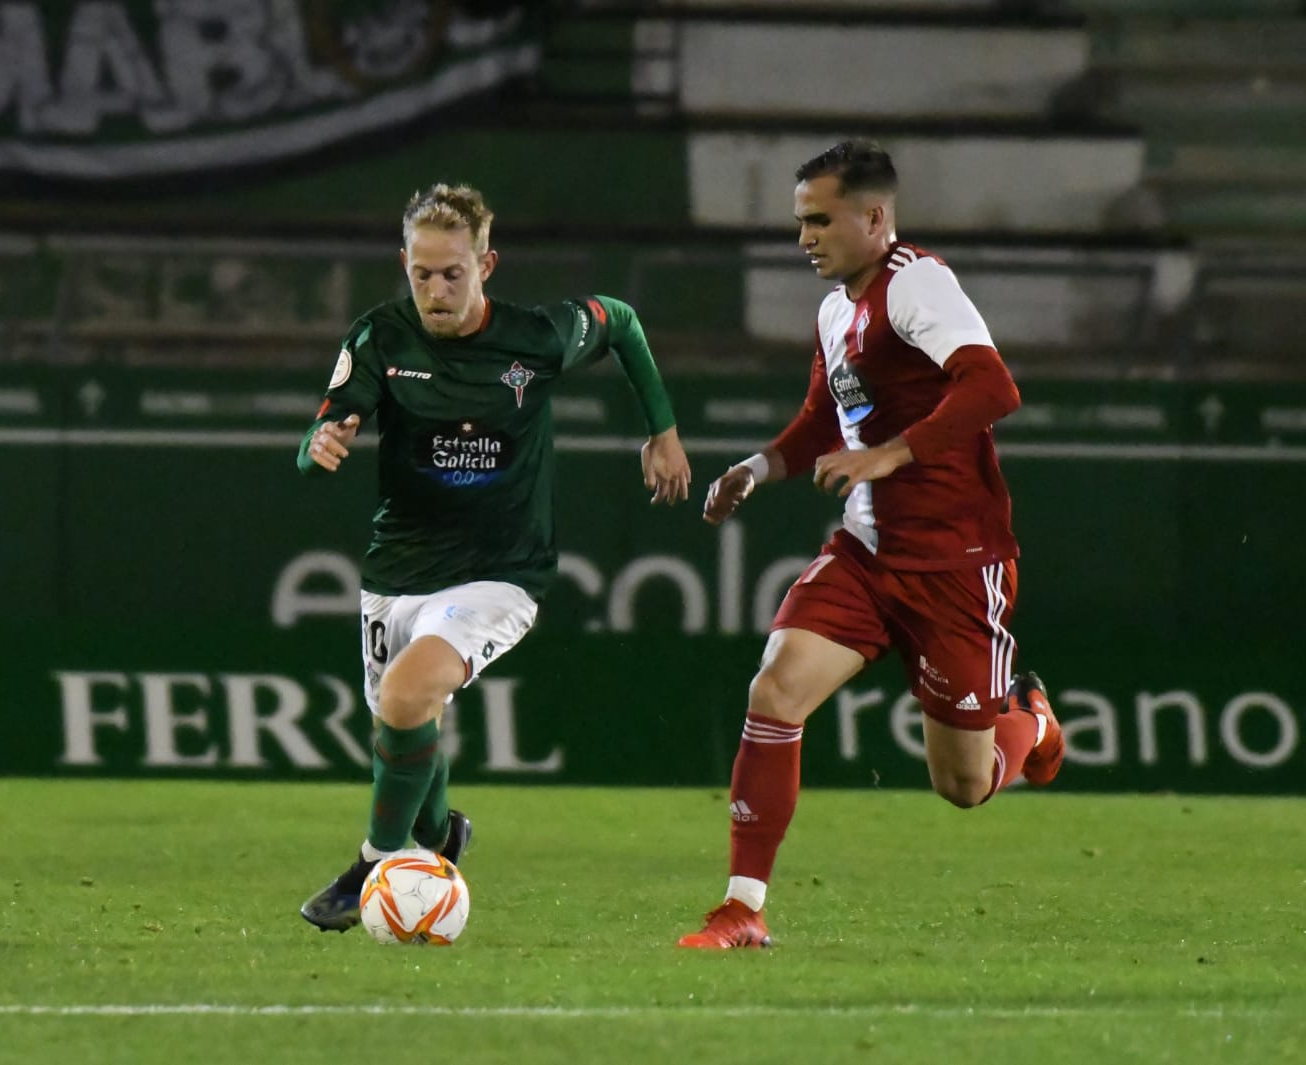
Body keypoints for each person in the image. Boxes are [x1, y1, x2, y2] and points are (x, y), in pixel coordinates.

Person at [677, 140, 1064, 950]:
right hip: (865, 552)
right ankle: (743, 907)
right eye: (799, 222)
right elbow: (823, 419)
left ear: (876, 217)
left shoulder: (916, 282)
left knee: (964, 785)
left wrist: (893, 453)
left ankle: (1026, 716)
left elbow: (994, 384)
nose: (804, 237)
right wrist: (758, 466)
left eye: (820, 219)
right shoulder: (833, 311)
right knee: (774, 692)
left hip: (956, 564)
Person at [298, 182, 693, 932]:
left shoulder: (536, 338)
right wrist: (320, 447)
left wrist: (662, 430)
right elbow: (322, 430)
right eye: (421, 274)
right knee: (398, 731)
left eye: (453, 273)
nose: (436, 290)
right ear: (404, 265)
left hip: (499, 572)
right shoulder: (379, 338)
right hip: (398, 571)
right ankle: (440, 835)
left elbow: (623, 322)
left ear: (488, 264)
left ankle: (373, 863)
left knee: (410, 697)